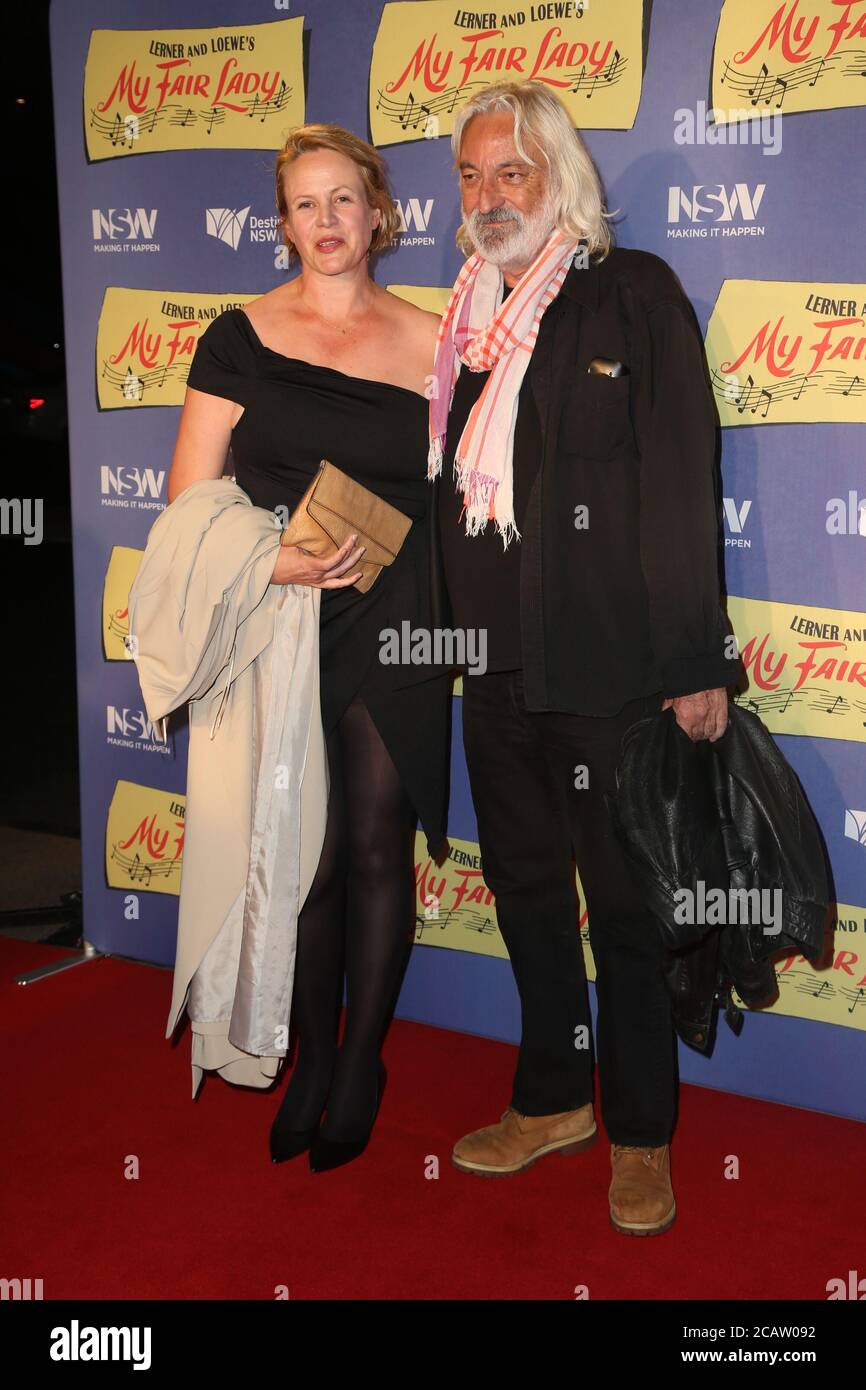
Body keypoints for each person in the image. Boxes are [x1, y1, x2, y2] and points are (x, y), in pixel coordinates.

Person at [427, 82, 744, 1234]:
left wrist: (692, 658)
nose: (488, 196)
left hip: (609, 674)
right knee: (520, 894)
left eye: (511, 171)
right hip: (492, 670)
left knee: (624, 907)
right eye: (469, 175)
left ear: (560, 173)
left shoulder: (632, 294)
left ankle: (642, 1133)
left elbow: (675, 481)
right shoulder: (462, 318)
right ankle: (554, 1097)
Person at [168, 123, 451, 1173]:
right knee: (310, 853)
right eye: (304, 204)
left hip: (397, 609)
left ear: (378, 213)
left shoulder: (436, 340)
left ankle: (361, 1063)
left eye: (344, 200)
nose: (325, 222)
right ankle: (315, 1058)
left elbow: (463, 499)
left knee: (374, 844)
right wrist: (272, 564)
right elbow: (188, 498)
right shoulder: (238, 335)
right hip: (279, 614)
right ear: (280, 221)